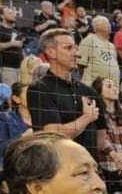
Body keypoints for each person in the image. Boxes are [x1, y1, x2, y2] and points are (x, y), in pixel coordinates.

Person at [26, 29, 102, 157]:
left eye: (75, 48)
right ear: (51, 52)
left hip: (89, 167)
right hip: (58, 170)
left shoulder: (89, 91)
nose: (77, 53)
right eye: (69, 48)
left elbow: (101, 137)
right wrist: (86, 118)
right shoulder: (39, 89)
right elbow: (52, 135)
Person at [91, 77, 122, 194]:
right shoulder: (96, 112)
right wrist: (114, 155)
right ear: (99, 92)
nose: (114, 88)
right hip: (105, 165)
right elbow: (101, 139)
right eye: (109, 86)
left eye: (114, 86)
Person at [0, 82, 30, 169]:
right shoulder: (3, 117)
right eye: (28, 93)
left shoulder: (43, 117)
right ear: (16, 99)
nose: (32, 96)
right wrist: (23, 137)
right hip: (11, 167)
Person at [76, 16, 118, 87]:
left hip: (110, 87)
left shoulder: (111, 45)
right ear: (96, 27)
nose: (109, 25)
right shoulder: (89, 40)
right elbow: (80, 64)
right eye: (106, 23)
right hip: (93, 87)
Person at [0, 6, 24, 85]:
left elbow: (21, 49)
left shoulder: (16, 30)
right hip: (7, 68)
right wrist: (12, 43)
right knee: (10, 95)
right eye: (10, 13)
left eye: (14, 13)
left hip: (21, 69)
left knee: (21, 95)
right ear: (2, 16)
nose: (13, 15)